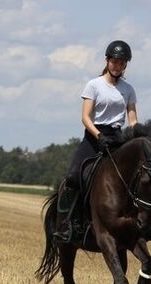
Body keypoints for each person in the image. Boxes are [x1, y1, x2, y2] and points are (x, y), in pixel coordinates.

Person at [52, 40, 137, 243]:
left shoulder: (128, 89)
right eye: (114, 61)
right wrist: (99, 135)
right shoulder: (94, 85)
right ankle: (67, 224)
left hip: (118, 138)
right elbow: (85, 117)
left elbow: (132, 120)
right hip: (94, 137)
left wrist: (137, 136)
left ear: (125, 65)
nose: (117, 65)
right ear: (107, 61)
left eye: (122, 62)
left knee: (137, 179)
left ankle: (144, 226)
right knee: (73, 176)